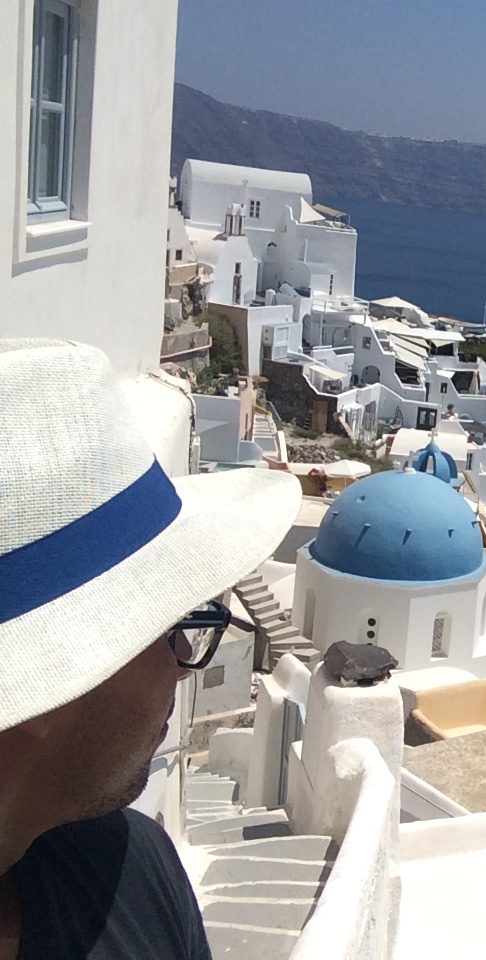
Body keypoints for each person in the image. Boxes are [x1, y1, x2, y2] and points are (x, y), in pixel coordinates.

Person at [0, 340, 302, 959]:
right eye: (171, 624)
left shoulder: (132, 873)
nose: (183, 667)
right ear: (56, 686)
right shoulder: (123, 885)